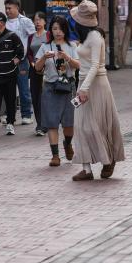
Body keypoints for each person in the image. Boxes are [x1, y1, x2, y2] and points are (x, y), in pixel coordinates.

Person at [70, 0, 126, 181]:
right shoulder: (86, 36)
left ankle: (108, 159)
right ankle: (86, 168)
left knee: (98, 125)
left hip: (96, 84)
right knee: (80, 126)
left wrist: (84, 88)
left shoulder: (95, 36)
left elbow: (95, 65)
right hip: (84, 82)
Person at [37, 16, 80, 166]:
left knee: (69, 123)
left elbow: (78, 65)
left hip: (68, 87)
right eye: (55, 28)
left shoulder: (72, 45)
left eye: (61, 29)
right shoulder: (45, 46)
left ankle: (67, 143)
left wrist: (67, 58)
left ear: (66, 30)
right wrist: (44, 57)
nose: (58, 32)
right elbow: (37, 68)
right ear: (51, 30)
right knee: (52, 122)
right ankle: (55, 156)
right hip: (50, 87)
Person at [4, 0, 36, 125]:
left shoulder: (25, 21)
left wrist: (30, 55)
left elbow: (33, 38)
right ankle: (9, 116)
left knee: (23, 89)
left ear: (17, 7)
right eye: (6, 8)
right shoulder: (3, 22)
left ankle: (26, 114)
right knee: (8, 90)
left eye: (9, 8)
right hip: (7, 61)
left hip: (22, 60)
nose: (7, 11)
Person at [27, 12, 49, 135]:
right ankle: (39, 124)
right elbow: (29, 52)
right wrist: (32, 63)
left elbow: (52, 49)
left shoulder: (49, 35)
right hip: (34, 69)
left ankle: (45, 124)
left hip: (47, 69)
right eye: (35, 20)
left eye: (40, 19)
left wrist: (44, 63)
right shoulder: (31, 37)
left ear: (45, 21)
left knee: (45, 97)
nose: (37, 22)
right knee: (35, 96)